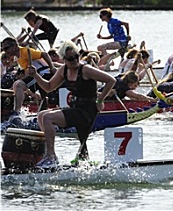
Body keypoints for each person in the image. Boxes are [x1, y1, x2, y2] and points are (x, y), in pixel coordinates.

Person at [28, 40, 116, 168]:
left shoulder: (86, 69)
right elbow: (48, 87)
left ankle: (51, 157)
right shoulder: (63, 70)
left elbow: (110, 80)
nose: (75, 60)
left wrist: (100, 100)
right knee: (41, 114)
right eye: (71, 58)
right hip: (76, 108)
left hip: (87, 111)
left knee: (47, 117)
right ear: (64, 59)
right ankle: (49, 155)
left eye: (77, 56)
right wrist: (35, 75)